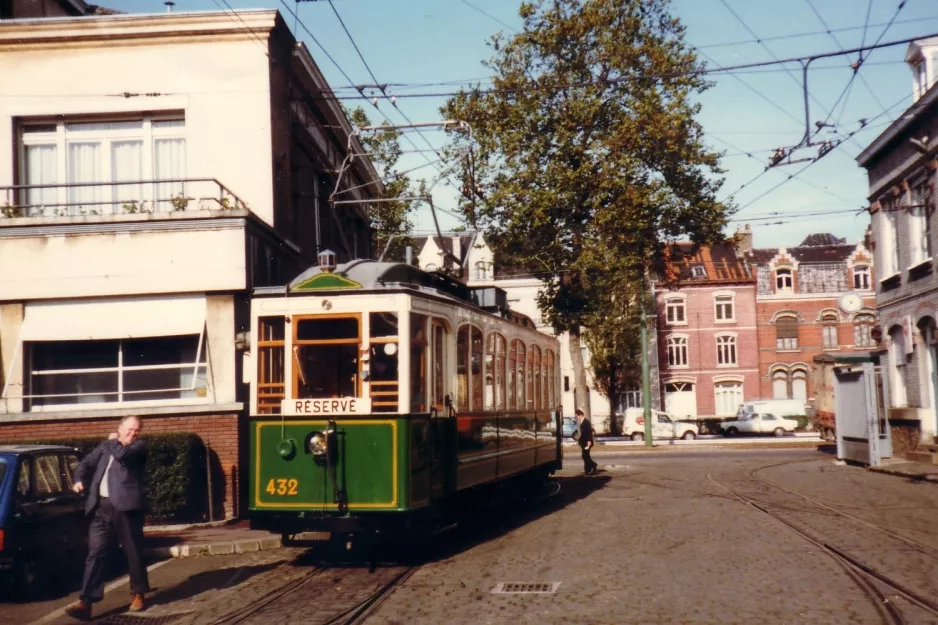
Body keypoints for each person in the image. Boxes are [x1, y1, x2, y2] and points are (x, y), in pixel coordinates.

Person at [65, 416, 149, 621]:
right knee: (96, 553)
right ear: (120, 428)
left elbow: (121, 454)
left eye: (136, 430)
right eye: (130, 430)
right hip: (100, 507)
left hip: (126, 508)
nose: (133, 433)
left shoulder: (138, 447)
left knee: (133, 551)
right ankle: (86, 601)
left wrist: (113, 440)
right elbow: (86, 463)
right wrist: (78, 479)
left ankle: (138, 594)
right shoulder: (106, 446)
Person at [575, 409, 598, 475]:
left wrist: (588, 443)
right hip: (583, 442)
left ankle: (592, 466)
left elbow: (588, 433)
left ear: (581, 415)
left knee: (585, 456)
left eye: (577, 416)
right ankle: (589, 469)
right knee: (585, 456)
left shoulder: (586, 422)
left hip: (587, 442)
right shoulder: (582, 422)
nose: (577, 418)